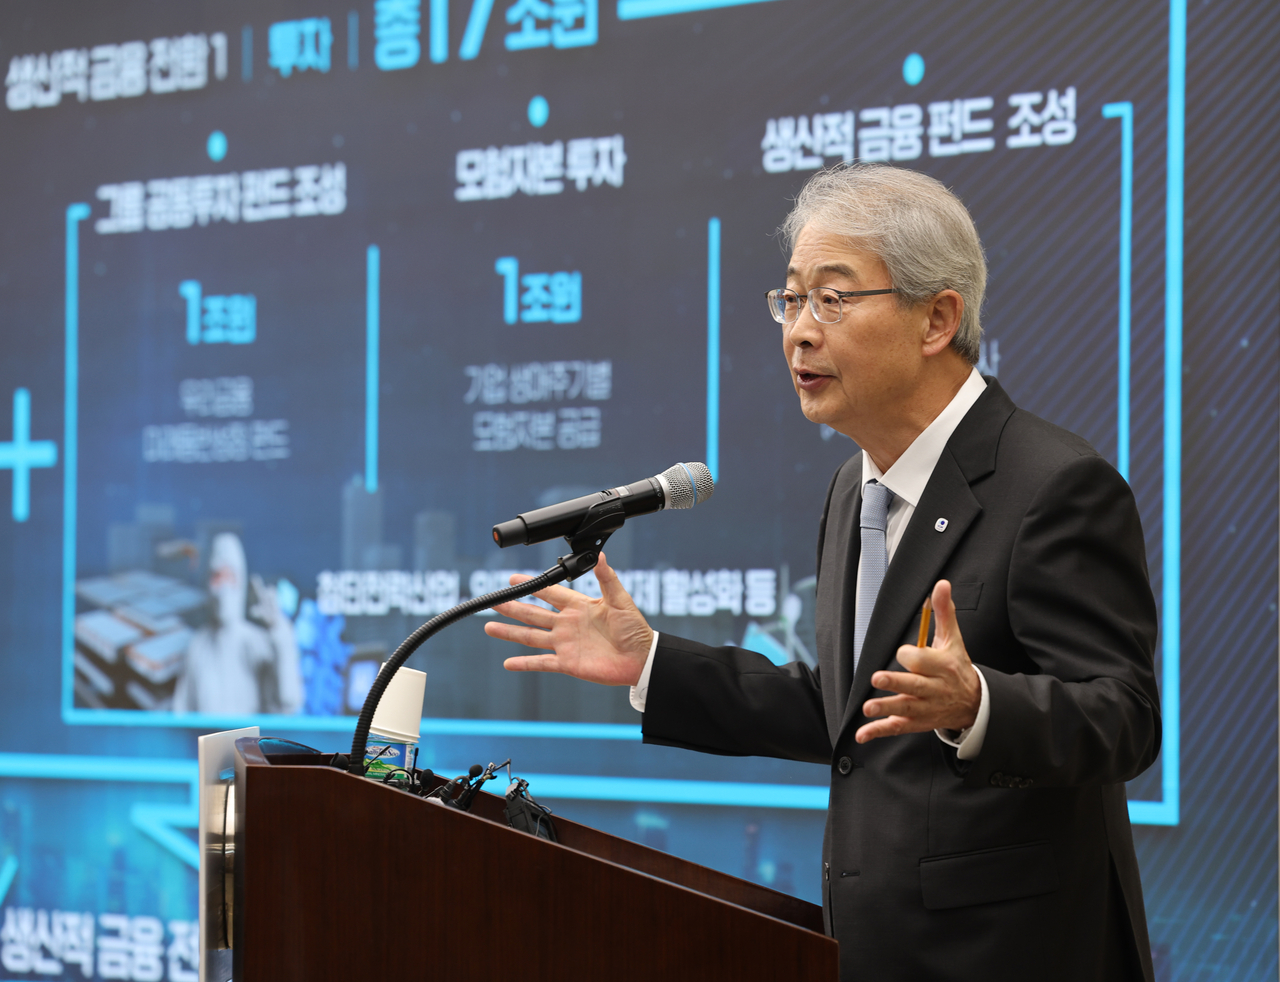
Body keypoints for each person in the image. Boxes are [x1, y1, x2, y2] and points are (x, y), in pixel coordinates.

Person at [484, 164, 1160, 981]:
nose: (799, 331)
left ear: (937, 318)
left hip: (1012, 955)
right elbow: (850, 711)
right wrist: (653, 663)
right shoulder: (854, 486)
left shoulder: (1052, 484)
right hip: (873, 949)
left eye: (832, 300)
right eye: (791, 299)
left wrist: (978, 704)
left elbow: (1123, 717)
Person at [174, 532, 303, 715]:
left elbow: (288, 701)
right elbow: (182, 710)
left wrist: (279, 631)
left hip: (249, 743)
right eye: (217, 576)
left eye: (230, 576)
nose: (223, 587)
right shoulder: (198, 645)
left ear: (240, 580)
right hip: (205, 743)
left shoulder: (255, 642)